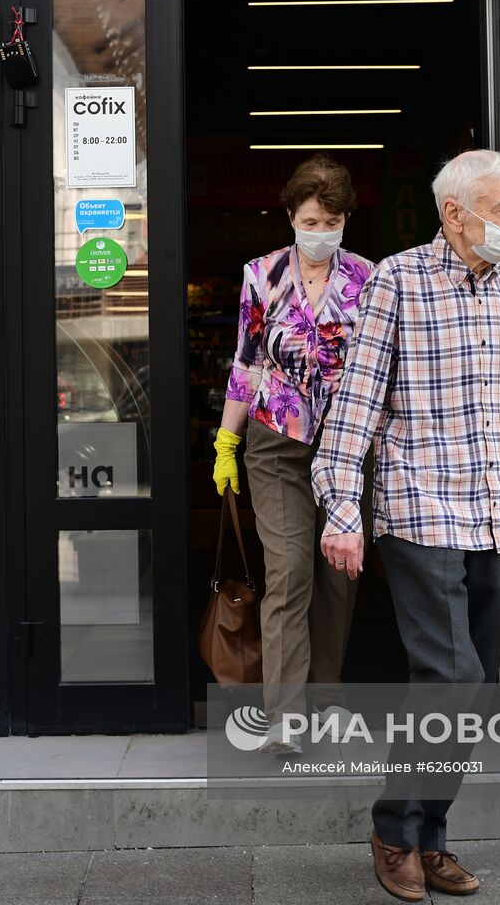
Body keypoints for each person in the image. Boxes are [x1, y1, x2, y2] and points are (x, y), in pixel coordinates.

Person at [312, 150, 500, 900]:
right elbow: (356, 405)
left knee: (479, 687)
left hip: (495, 510)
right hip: (420, 506)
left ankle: (429, 835)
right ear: (455, 213)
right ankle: (393, 829)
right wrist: (342, 509)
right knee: (451, 675)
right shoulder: (397, 280)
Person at [212, 154, 376, 755]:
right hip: (275, 442)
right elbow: (247, 361)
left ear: (344, 221)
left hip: (345, 444)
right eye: (310, 219)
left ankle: (326, 696)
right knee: (289, 570)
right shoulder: (262, 274)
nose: (320, 230)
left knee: (339, 576)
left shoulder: (367, 278)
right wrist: (227, 440)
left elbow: (378, 367)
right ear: (290, 216)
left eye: (331, 220)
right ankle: (283, 713)